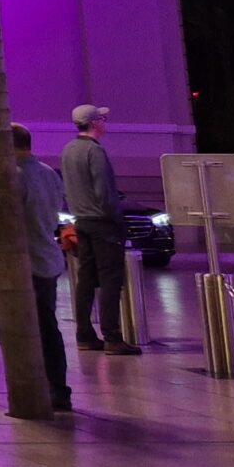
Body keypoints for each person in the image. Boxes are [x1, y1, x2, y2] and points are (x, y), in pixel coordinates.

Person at [0, 123, 72, 413]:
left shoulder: (14, 177)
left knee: (13, 322)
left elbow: (10, 219)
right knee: (46, 324)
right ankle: (53, 384)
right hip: (48, 256)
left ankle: (48, 382)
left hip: (27, 261)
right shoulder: (48, 173)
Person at [59, 105, 137, 355]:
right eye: (102, 118)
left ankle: (84, 333)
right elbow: (104, 192)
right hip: (103, 222)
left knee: (86, 278)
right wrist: (116, 219)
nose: (105, 122)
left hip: (82, 220)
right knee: (111, 279)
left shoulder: (69, 149)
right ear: (94, 123)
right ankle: (112, 337)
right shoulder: (95, 152)